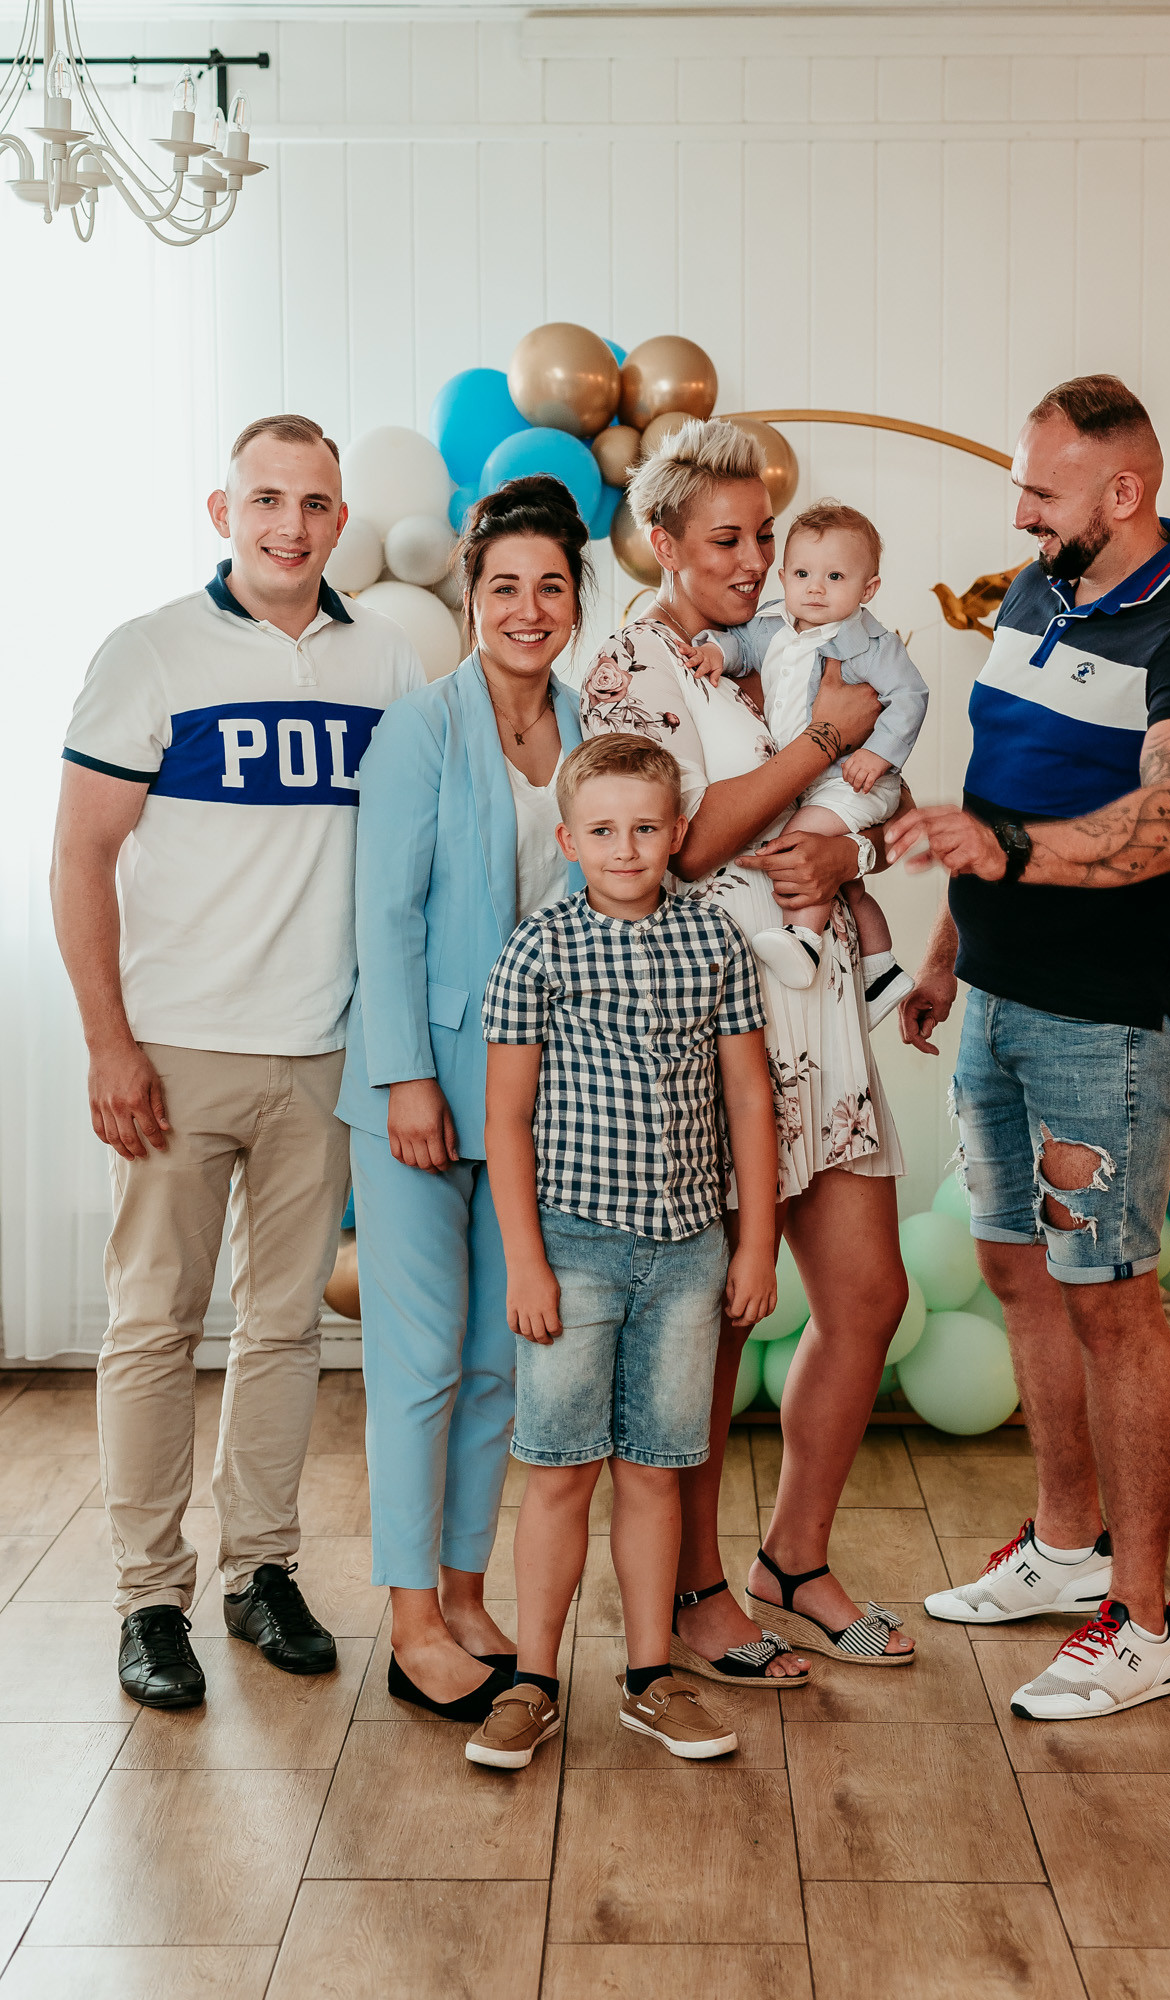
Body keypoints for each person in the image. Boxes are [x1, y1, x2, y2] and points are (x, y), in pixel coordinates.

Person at [891, 375, 1170, 1720]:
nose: (1018, 513)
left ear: (1122, 490)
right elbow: (996, 791)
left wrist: (997, 853)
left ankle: (1142, 1619)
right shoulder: (1034, 593)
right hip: (996, 997)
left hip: (1105, 1022)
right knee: (1016, 1269)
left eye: (1039, 491)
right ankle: (1063, 1548)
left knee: (1108, 1299)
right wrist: (948, 953)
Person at [50, 414, 424, 1709]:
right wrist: (108, 1042)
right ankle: (147, 1597)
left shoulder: (384, 661)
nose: (290, 525)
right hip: (175, 1048)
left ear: (340, 520)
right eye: (265, 499)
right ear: (223, 513)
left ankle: (260, 1570)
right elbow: (80, 855)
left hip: (321, 1051)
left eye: (313, 504)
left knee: (282, 1327)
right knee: (154, 1324)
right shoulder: (150, 651)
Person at [582, 417, 916, 1677]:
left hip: (817, 1008)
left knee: (866, 1295)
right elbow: (686, 838)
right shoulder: (630, 665)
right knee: (715, 1324)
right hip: (716, 1024)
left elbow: (855, 796)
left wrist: (847, 846)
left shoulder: (773, 645)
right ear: (660, 542)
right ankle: (694, 1588)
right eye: (724, 538)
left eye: (764, 535)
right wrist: (822, 738)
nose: (755, 558)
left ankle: (794, 1556)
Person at [465, 734, 778, 1769]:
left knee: (655, 1470)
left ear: (677, 832)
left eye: (645, 827)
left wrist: (754, 1243)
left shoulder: (712, 939)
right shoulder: (537, 949)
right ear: (567, 840)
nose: (625, 847)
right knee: (560, 1470)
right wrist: (524, 1261)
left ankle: (651, 1677)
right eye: (601, 830)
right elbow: (506, 1119)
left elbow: (748, 1099)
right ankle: (532, 1682)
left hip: (688, 1254)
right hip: (571, 1251)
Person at [337, 476, 590, 1723]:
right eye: (503, 587)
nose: (526, 608)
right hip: (422, 1088)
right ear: (469, 597)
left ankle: (463, 1588)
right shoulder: (420, 726)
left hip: (535, 1097)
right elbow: (382, 913)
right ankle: (407, 1623)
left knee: (500, 1358)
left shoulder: (588, 727)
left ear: (576, 598)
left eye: (550, 586)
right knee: (421, 1359)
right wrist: (403, 1078)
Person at [686, 498, 927, 1024]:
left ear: (868, 589)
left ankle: (803, 938)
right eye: (802, 574)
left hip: (852, 779)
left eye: (834, 577)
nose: (815, 588)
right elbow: (741, 648)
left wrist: (878, 753)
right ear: (785, 577)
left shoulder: (873, 645)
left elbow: (910, 696)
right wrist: (717, 654)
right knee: (847, 883)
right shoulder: (774, 624)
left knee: (801, 843)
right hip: (810, 778)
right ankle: (881, 970)